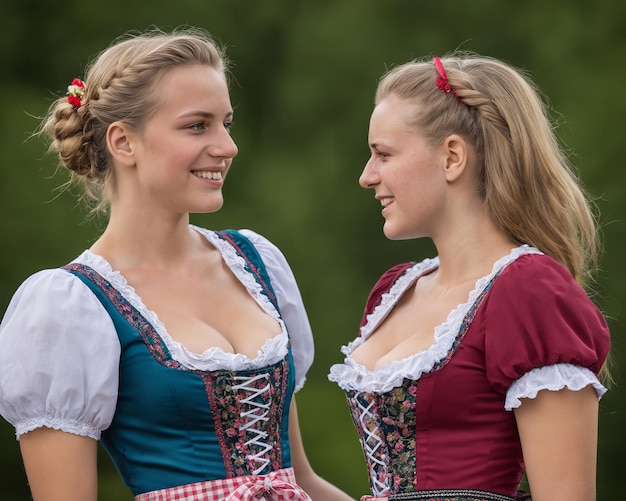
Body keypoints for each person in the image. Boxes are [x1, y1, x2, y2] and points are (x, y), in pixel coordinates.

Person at [0, 27, 355, 501]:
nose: (226, 146)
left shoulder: (256, 265)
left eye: (226, 123)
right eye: (197, 125)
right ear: (123, 142)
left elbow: (301, 480)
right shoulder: (69, 308)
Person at [328, 53, 610, 501]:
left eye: (383, 153)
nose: (367, 176)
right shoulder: (396, 291)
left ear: (453, 157)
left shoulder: (528, 290)